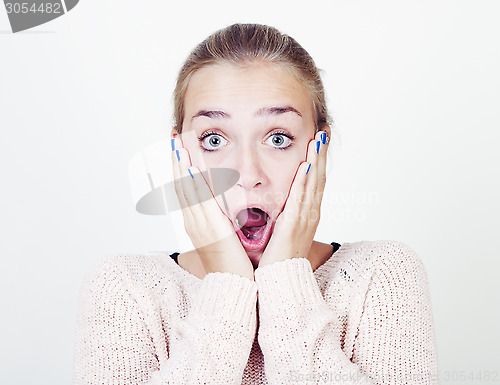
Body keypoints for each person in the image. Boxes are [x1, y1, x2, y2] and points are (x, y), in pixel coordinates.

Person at [73, 23, 438, 384]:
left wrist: (285, 281)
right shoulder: (126, 289)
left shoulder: (381, 276)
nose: (247, 174)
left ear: (319, 148)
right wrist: (228, 286)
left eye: (278, 138)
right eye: (214, 140)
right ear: (179, 156)